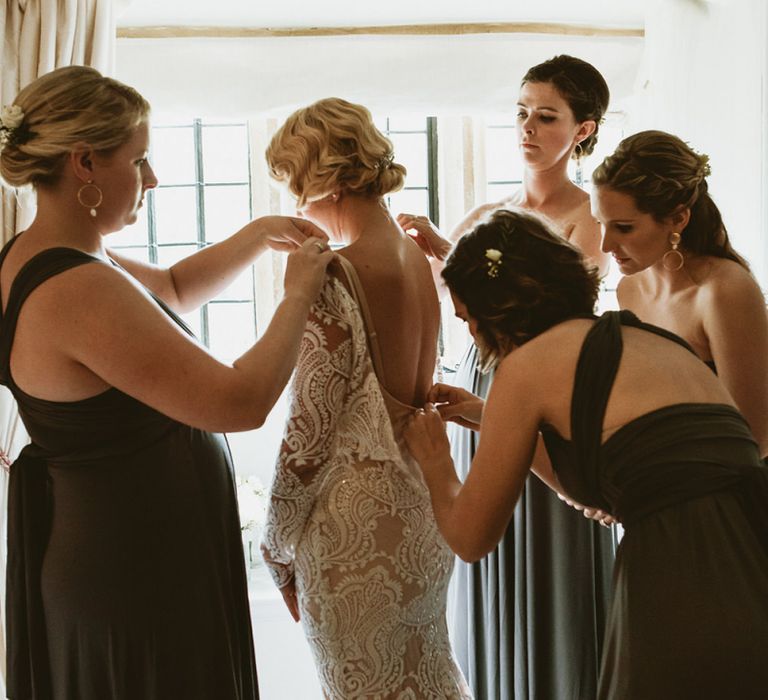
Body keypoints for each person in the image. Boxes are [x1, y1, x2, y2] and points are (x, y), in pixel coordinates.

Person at [0, 65, 333, 699]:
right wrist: (297, 296)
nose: (152, 178)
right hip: (131, 571)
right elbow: (238, 401)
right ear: (86, 163)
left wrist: (259, 234)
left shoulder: (49, 252)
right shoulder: (77, 288)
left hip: (126, 553)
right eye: (140, 160)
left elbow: (173, 290)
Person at [404, 208, 768, 699]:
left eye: (469, 318)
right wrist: (490, 415)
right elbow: (611, 485)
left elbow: (470, 538)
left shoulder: (527, 367)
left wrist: (434, 459)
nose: (472, 335)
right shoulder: (647, 339)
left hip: (679, 581)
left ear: (499, 308)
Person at [398, 55, 614, 700]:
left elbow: (556, 300)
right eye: (521, 113)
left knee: (548, 546)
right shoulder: (492, 209)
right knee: (485, 537)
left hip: (545, 388)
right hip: (481, 383)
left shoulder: (589, 217)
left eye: (546, 117)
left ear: (582, 130)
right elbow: (456, 291)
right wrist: (438, 247)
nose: (527, 128)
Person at [260, 97, 471, 699]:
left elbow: (310, 425)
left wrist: (274, 542)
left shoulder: (331, 274)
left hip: (354, 531)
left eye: (295, 185)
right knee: (429, 677)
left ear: (323, 182)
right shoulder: (419, 258)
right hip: (422, 511)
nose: (296, 205)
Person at [591, 130, 768, 455]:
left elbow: (755, 436)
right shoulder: (629, 290)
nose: (606, 245)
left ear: (678, 218)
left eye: (624, 227)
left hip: (727, 490)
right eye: (600, 223)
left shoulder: (723, 291)